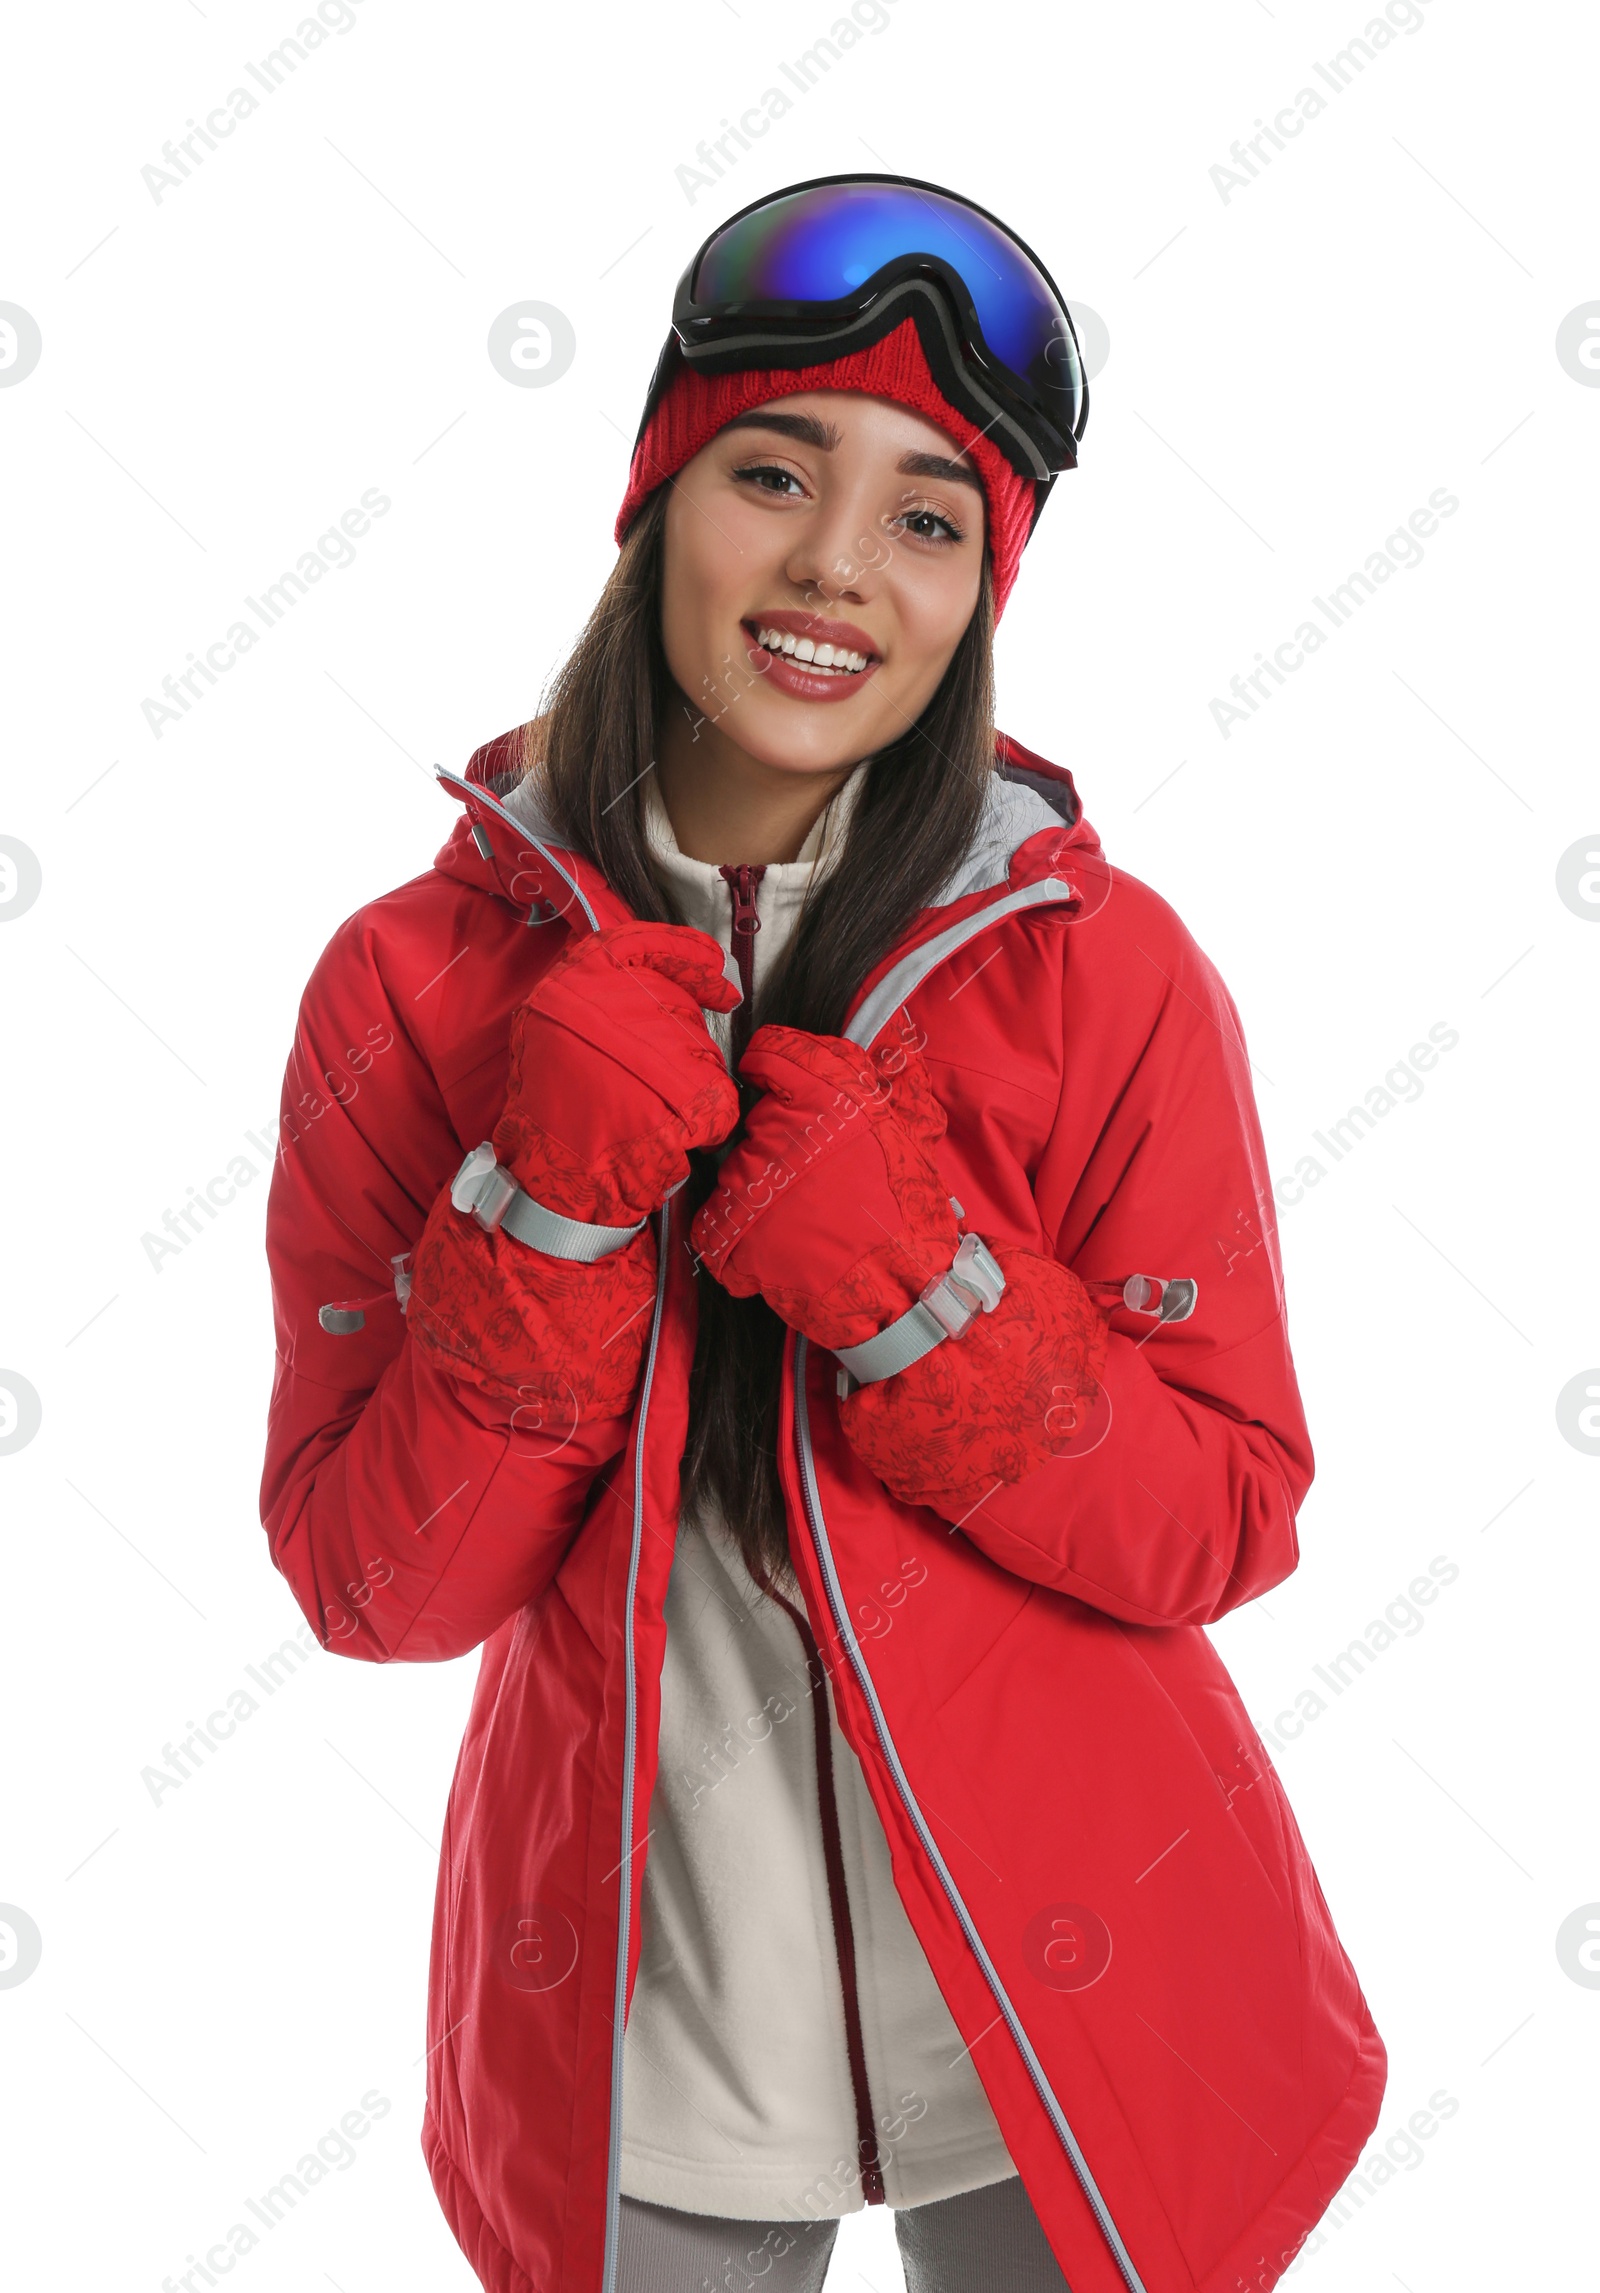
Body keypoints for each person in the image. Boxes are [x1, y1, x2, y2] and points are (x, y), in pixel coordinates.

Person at [260, 175, 1386, 2293]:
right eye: (771, 472)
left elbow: (1220, 1520)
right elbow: (372, 1587)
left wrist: (916, 1292)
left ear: (979, 596)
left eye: (926, 520)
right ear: (655, 501)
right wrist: (552, 1203)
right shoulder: (408, 992)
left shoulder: (1109, 974)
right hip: (643, 2029)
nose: (833, 569)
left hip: (1079, 2003)